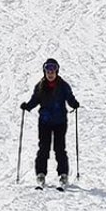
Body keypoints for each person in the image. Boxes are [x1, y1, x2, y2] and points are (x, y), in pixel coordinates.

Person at [20, 58, 79, 189]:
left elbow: (69, 97)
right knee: (44, 148)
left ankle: (63, 174)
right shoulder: (40, 86)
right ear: (45, 71)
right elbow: (35, 100)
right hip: (45, 122)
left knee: (59, 149)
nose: (50, 73)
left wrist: (74, 103)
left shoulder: (63, 86)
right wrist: (27, 106)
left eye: (53, 70)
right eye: (48, 70)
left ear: (57, 71)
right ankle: (41, 173)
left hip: (60, 122)